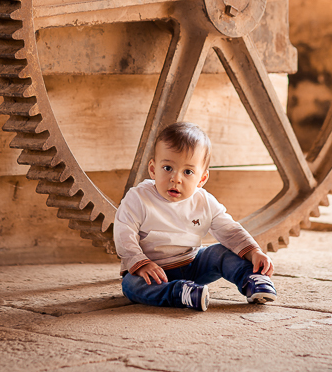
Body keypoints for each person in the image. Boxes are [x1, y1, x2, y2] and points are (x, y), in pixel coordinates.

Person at [114, 121, 277, 312]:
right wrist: (140, 263)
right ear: (153, 169)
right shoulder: (138, 198)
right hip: (152, 272)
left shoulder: (204, 201)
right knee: (130, 285)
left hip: (192, 265)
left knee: (219, 252)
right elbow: (124, 234)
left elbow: (230, 231)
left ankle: (252, 279)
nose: (176, 178)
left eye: (188, 172)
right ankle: (181, 293)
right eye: (167, 168)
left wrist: (254, 252)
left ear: (201, 179)